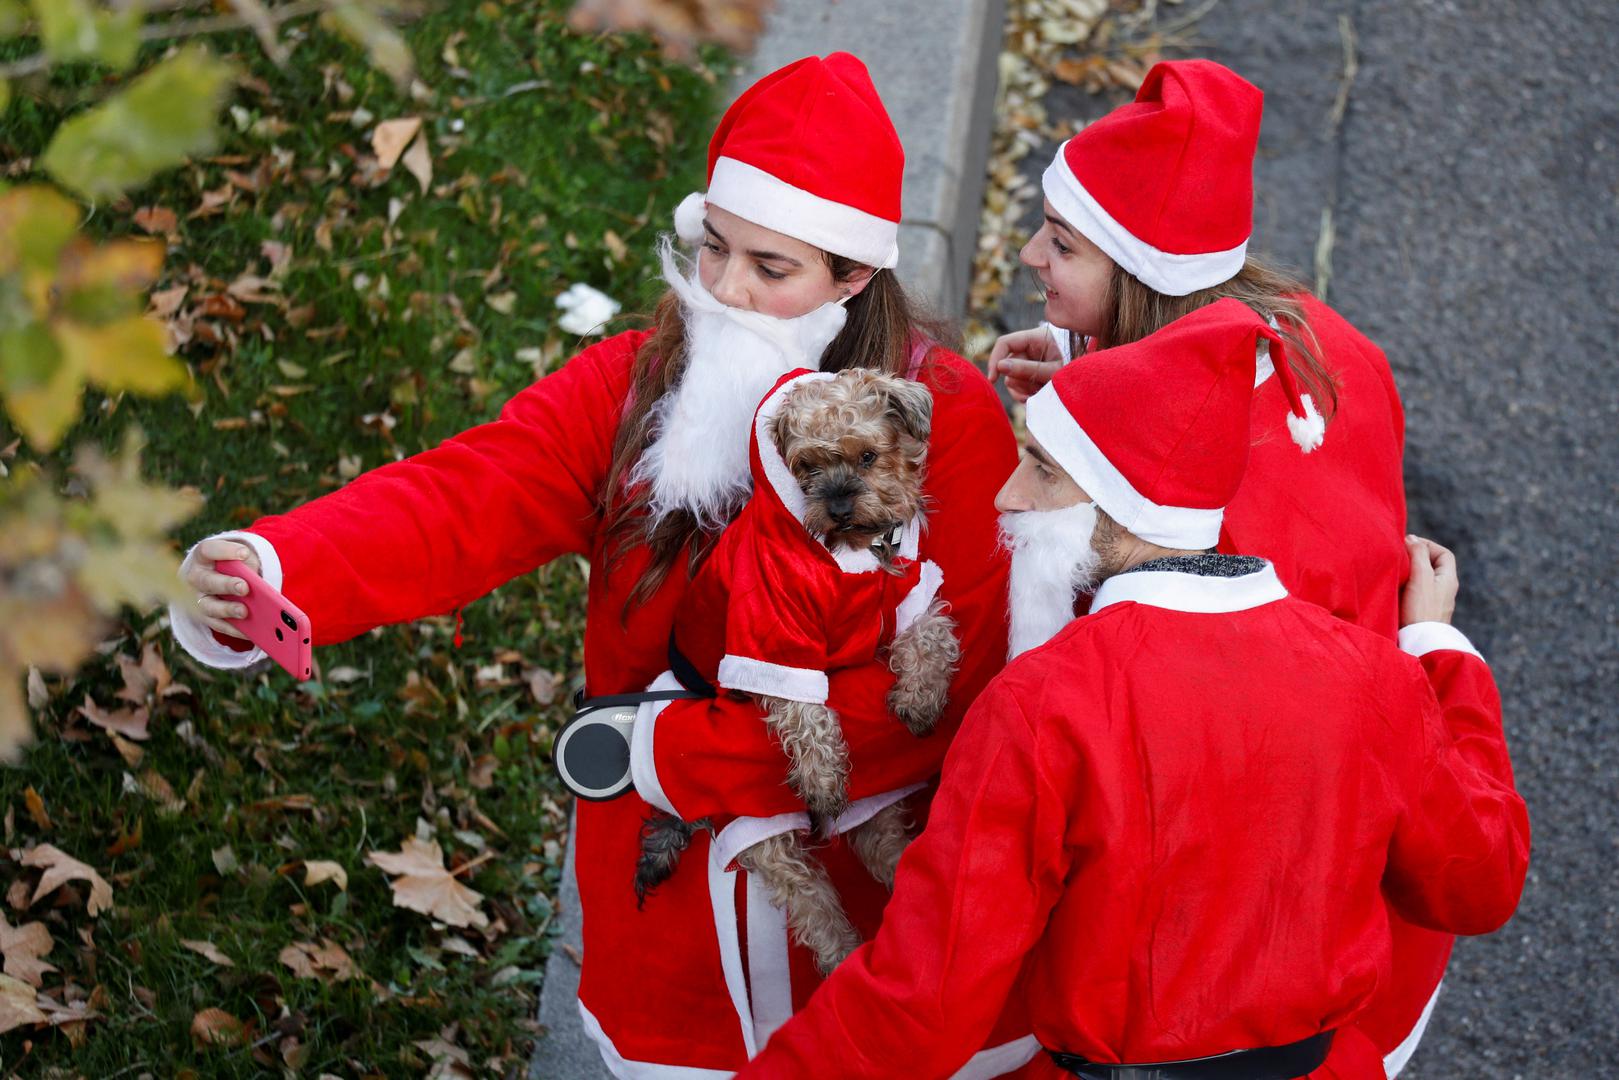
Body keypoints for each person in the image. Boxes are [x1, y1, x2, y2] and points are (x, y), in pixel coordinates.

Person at [169, 53, 1022, 1076]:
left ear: (851, 277)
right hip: (669, 936)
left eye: (770, 267)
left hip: (867, 908)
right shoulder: (632, 387)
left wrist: (665, 757)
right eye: (714, 248)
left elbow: (957, 676)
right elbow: (466, 494)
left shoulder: (945, 418)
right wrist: (275, 566)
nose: (725, 290)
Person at [736, 299, 1529, 1080]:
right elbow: (1481, 883)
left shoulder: (1040, 706)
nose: (1007, 495)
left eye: (1042, 469)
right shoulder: (1372, 673)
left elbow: (919, 1004)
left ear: (1117, 500)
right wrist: (1436, 649)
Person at [986, 59, 1443, 1070]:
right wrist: (1085, 381)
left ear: (1141, 273)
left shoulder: (1210, 517)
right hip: (1353, 863)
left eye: (1060, 244)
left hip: (1236, 948)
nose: (1027, 255)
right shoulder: (1316, 341)